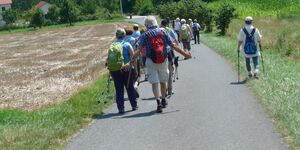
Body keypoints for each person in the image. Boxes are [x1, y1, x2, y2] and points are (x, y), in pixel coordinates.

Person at [134, 16, 192, 113]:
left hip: (150, 60)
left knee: (154, 83)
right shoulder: (163, 32)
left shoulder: (144, 35)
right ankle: (164, 99)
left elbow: (138, 50)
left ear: (146, 25)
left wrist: (131, 61)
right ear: (155, 23)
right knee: (162, 81)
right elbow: (173, 45)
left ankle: (158, 103)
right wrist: (185, 54)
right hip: (163, 59)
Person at [107, 28, 138, 114]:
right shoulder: (127, 45)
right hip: (127, 70)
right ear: (124, 35)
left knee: (119, 89)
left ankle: (121, 108)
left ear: (116, 36)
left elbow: (108, 59)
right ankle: (134, 105)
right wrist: (135, 69)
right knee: (130, 88)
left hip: (115, 70)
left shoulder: (112, 46)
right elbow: (133, 58)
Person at [160, 19, 179, 96]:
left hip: (160, 54)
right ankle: (170, 90)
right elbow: (174, 40)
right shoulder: (169, 30)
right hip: (169, 52)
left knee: (162, 72)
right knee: (170, 71)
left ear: (161, 24)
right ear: (167, 24)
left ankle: (163, 90)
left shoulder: (157, 31)